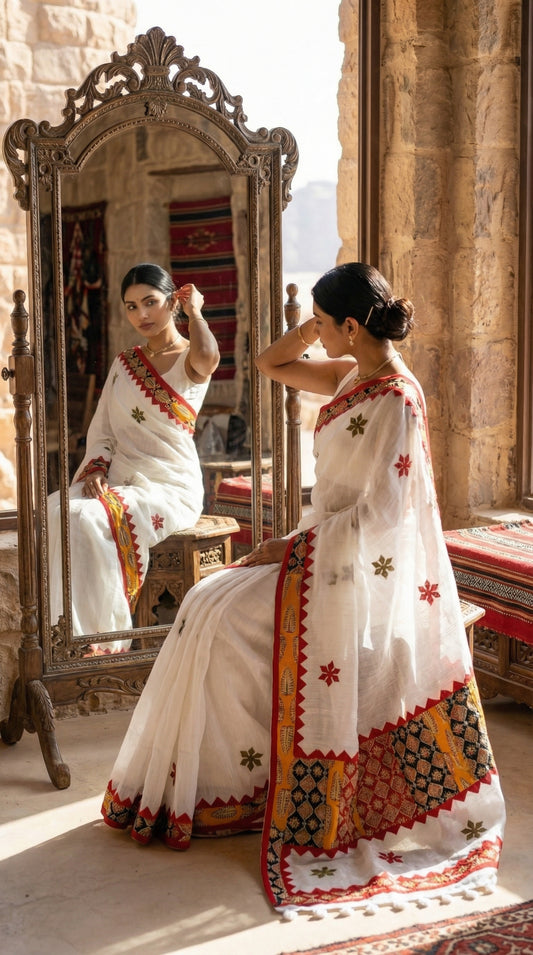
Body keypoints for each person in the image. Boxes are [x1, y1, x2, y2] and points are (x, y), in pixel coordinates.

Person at [100, 263, 505, 915]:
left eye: (324, 322)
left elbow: (379, 515)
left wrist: (286, 548)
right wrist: (315, 320)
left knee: (221, 615)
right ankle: (221, 786)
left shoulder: (395, 397)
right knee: (206, 603)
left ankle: (242, 785)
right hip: (319, 550)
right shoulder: (350, 374)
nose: (312, 333)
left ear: (349, 325)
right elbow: (269, 361)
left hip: (352, 567)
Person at [47, 263, 220, 651]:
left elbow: (209, 359)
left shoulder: (188, 357)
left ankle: (100, 642)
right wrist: (95, 469)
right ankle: (62, 636)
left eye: (150, 303)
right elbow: (103, 429)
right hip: (119, 477)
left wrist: (196, 313)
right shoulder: (125, 363)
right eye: (131, 306)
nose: (141, 315)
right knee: (55, 510)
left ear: (172, 302)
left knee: (85, 519)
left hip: (168, 485)